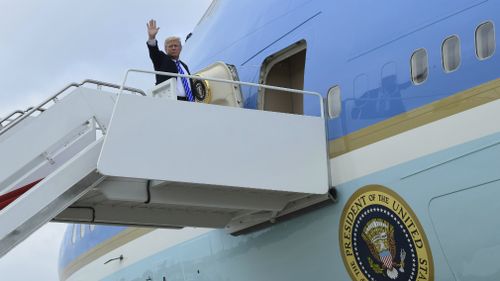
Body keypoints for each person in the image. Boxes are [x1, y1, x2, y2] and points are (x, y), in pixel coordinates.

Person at [146, 19, 195, 101]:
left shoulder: (184, 66)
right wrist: (152, 38)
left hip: (189, 102)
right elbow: (154, 51)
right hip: (170, 101)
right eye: (170, 46)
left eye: (176, 46)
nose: (173, 48)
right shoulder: (161, 59)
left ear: (180, 48)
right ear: (165, 49)